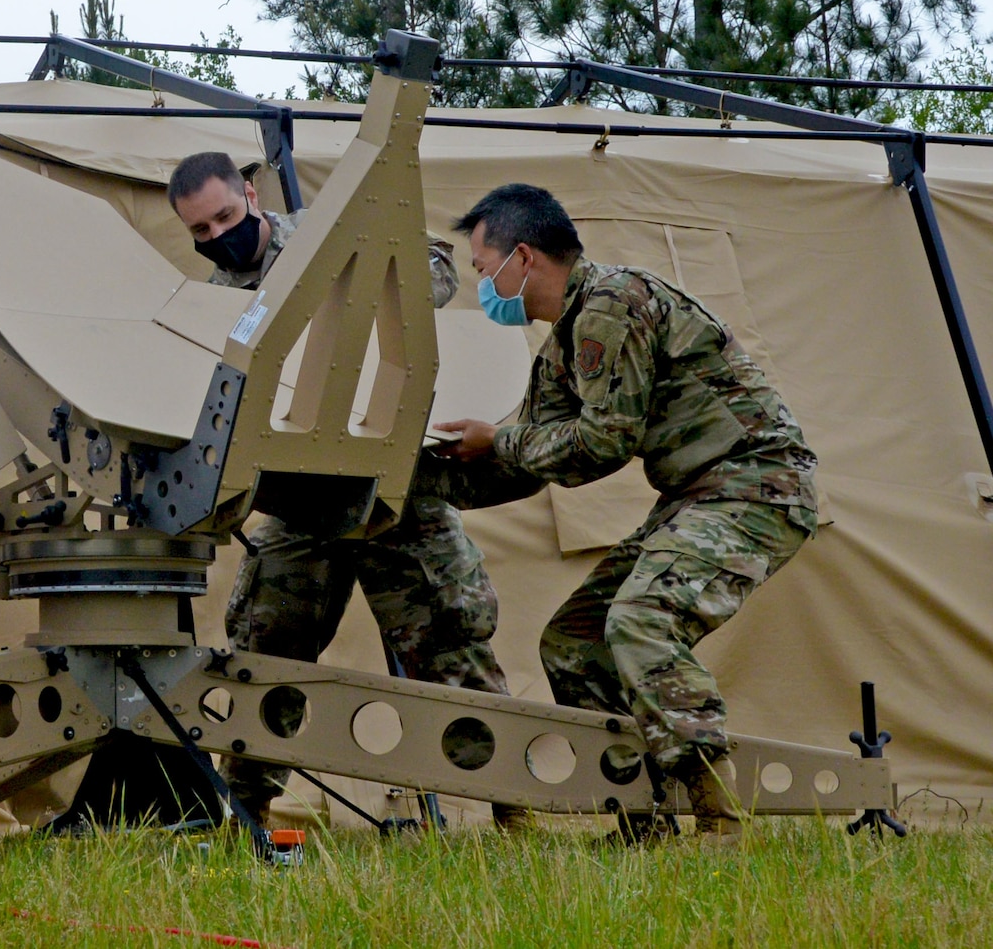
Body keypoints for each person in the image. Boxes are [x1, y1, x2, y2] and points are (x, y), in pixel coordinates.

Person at [432, 183, 819, 839]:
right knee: (575, 640)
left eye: (479, 267)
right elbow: (549, 457)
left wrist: (494, 437)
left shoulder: (613, 302)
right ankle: (642, 817)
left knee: (642, 618)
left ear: (521, 257)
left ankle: (721, 818)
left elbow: (604, 441)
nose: (480, 284)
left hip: (757, 482)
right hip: (698, 493)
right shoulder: (565, 342)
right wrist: (433, 481)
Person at [166, 151, 518, 826]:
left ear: (250, 191)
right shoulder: (214, 307)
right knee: (266, 645)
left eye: (226, 217)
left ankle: (515, 805)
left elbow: (438, 270)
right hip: (300, 498)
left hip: (391, 488)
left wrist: (362, 302)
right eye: (201, 232)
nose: (218, 238)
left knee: (453, 641)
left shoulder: (334, 235)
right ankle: (248, 814)